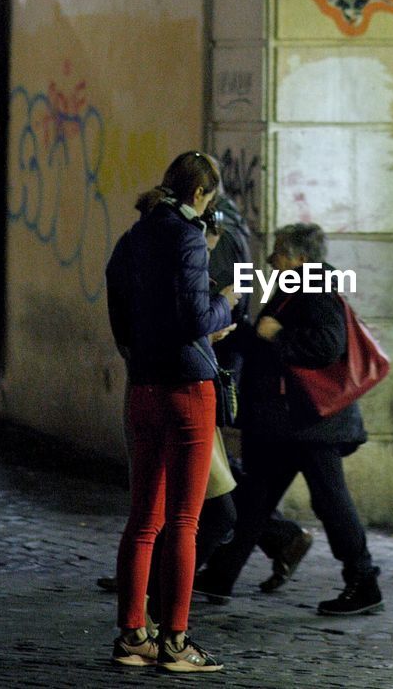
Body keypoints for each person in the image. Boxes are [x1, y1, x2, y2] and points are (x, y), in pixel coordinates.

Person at [194, 223, 382, 615]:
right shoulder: (295, 287)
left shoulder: (314, 288)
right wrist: (238, 330)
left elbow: (326, 345)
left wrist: (274, 336)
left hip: (309, 423)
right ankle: (220, 575)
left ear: (301, 257)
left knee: (330, 501)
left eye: (279, 251)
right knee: (254, 499)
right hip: (285, 423)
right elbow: (267, 342)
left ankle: (363, 583)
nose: (271, 258)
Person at [105, 151, 237, 673]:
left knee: (142, 521)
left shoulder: (134, 237)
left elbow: (118, 308)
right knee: (184, 520)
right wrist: (225, 305)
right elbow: (194, 317)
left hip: (143, 384)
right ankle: (176, 643)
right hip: (186, 388)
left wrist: (138, 349)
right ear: (201, 194)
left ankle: (133, 634)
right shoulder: (185, 238)